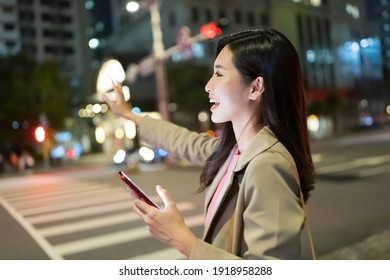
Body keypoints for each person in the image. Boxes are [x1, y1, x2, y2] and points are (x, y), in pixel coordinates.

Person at [103, 27, 316, 260]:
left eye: (219, 74)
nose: (208, 85)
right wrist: (129, 115)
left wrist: (183, 240)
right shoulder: (233, 151)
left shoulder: (268, 165)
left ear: (255, 87)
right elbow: (182, 141)